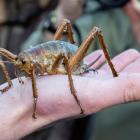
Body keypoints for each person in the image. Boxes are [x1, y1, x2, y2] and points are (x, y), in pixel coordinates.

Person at [0, 49, 140, 140]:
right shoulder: (27, 60)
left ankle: (113, 72)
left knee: (95, 32)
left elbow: (57, 58)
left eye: (23, 63)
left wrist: (33, 99)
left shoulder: (39, 63)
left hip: (69, 63)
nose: (20, 67)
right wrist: (13, 93)